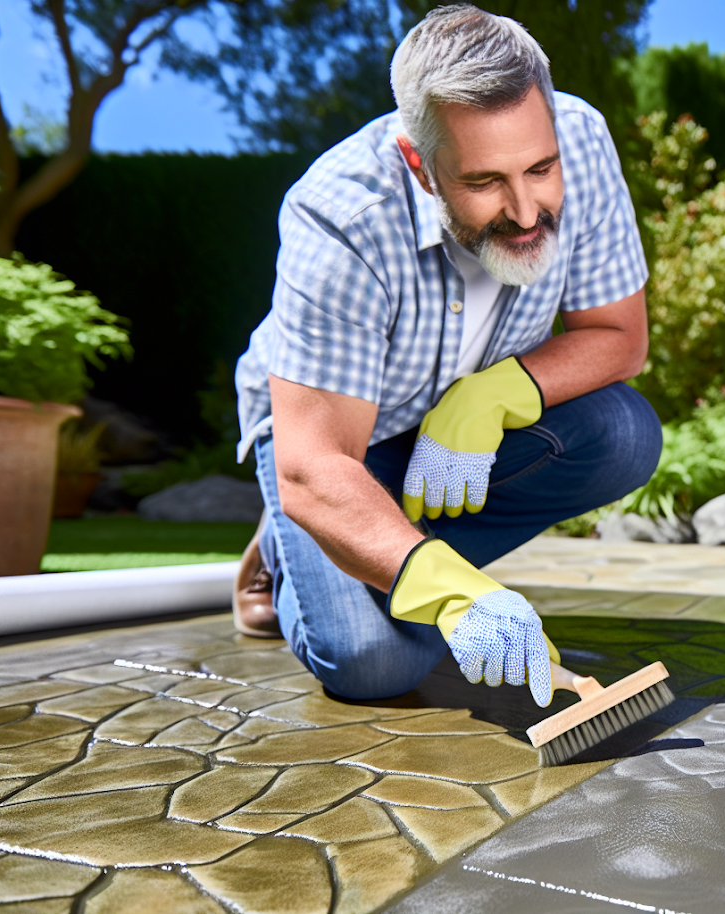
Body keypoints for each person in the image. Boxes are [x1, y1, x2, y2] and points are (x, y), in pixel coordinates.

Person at [229, 5, 659, 704]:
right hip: (340, 438)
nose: (525, 211)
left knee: (624, 434)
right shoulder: (339, 216)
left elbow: (619, 336)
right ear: (419, 165)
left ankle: (377, 541)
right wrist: (456, 594)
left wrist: (488, 398)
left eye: (539, 169)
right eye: (485, 182)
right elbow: (315, 463)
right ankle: (292, 537)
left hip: (463, 433)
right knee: (375, 665)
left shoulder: (582, 140)